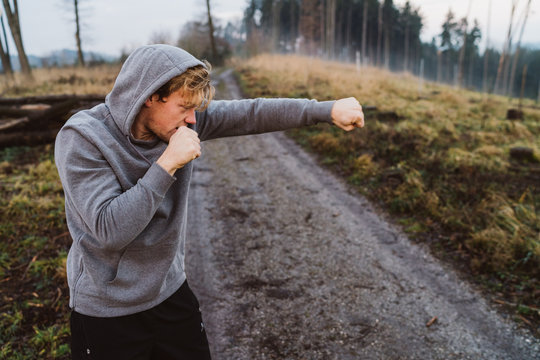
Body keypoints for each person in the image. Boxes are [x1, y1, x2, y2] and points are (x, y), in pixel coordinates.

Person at [54, 44, 364, 360]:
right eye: (184, 106)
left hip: (169, 293)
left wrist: (324, 110)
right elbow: (110, 230)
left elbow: (252, 113)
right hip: (108, 311)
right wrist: (166, 164)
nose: (192, 119)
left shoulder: (185, 122)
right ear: (149, 96)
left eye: (196, 109)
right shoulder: (83, 138)